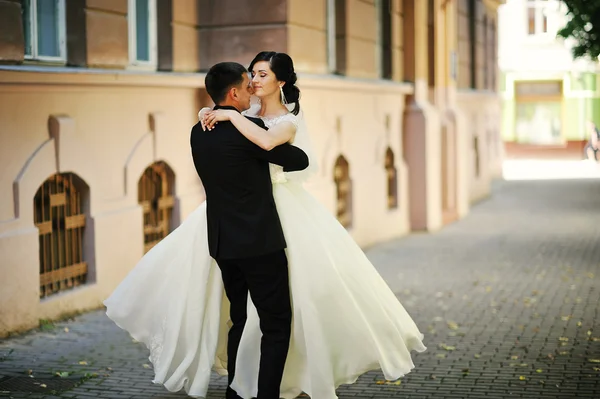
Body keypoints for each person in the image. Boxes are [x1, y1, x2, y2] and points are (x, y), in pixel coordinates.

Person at [105, 52, 426, 399]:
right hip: (255, 226)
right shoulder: (240, 118)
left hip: (257, 219)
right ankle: (255, 387)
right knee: (259, 316)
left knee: (288, 302)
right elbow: (259, 143)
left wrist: (222, 113)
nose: (255, 81)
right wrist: (221, 113)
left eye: (261, 75)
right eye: (251, 76)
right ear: (237, 91)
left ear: (280, 82)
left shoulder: (272, 121)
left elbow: (280, 149)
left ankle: (253, 383)